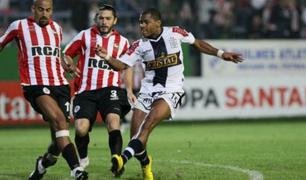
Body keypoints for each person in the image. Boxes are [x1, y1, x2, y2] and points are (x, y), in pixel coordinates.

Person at [95, 8, 243, 180]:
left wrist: (221, 53)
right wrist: (106, 57)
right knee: (136, 137)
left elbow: (197, 43)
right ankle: (145, 164)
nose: (141, 25)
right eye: (140, 22)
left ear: (158, 23)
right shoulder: (139, 45)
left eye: (145, 22)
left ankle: (122, 159)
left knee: (148, 124)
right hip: (147, 92)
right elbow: (121, 65)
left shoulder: (175, 33)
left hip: (171, 90)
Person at [0, 0, 88, 179]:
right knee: (59, 120)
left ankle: (42, 165)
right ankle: (76, 170)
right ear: (33, 9)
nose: (44, 14)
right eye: (41, 10)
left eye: (48, 10)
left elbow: (56, 56)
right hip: (36, 85)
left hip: (61, 85)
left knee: (59, 138)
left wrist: (67, 65)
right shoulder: (19, 26)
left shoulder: (56, 28)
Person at [62, 4, 131, 173]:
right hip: (86, 90)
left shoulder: (122, 42)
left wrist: (128, 90)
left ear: (115, 20)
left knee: (113, 122)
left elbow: (125, 66)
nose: (104, 21)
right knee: (80, 128)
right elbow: (66, 54)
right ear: (96, 19)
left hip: (110, 89)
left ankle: (117, 162)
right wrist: (69, 66)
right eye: (101, 18)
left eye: (108, 18)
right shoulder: (85, 36)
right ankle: (83, 158)